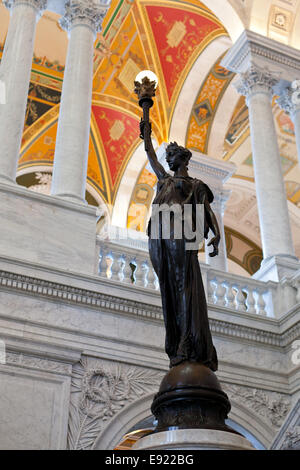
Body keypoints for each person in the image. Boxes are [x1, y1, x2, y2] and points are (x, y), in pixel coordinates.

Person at [140, 119, 220, 371]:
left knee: (182, 284)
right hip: (162, 237)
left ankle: (187, 340)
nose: (168, 160)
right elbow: (151, 157)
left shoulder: (195, 186)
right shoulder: (164, 180)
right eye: (168, 156)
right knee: (170, 287)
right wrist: (146, 135)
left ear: (183, 160)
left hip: (182, 235)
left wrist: (216, 235)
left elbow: (207, 212)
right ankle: (178, 339)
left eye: (172, 156)